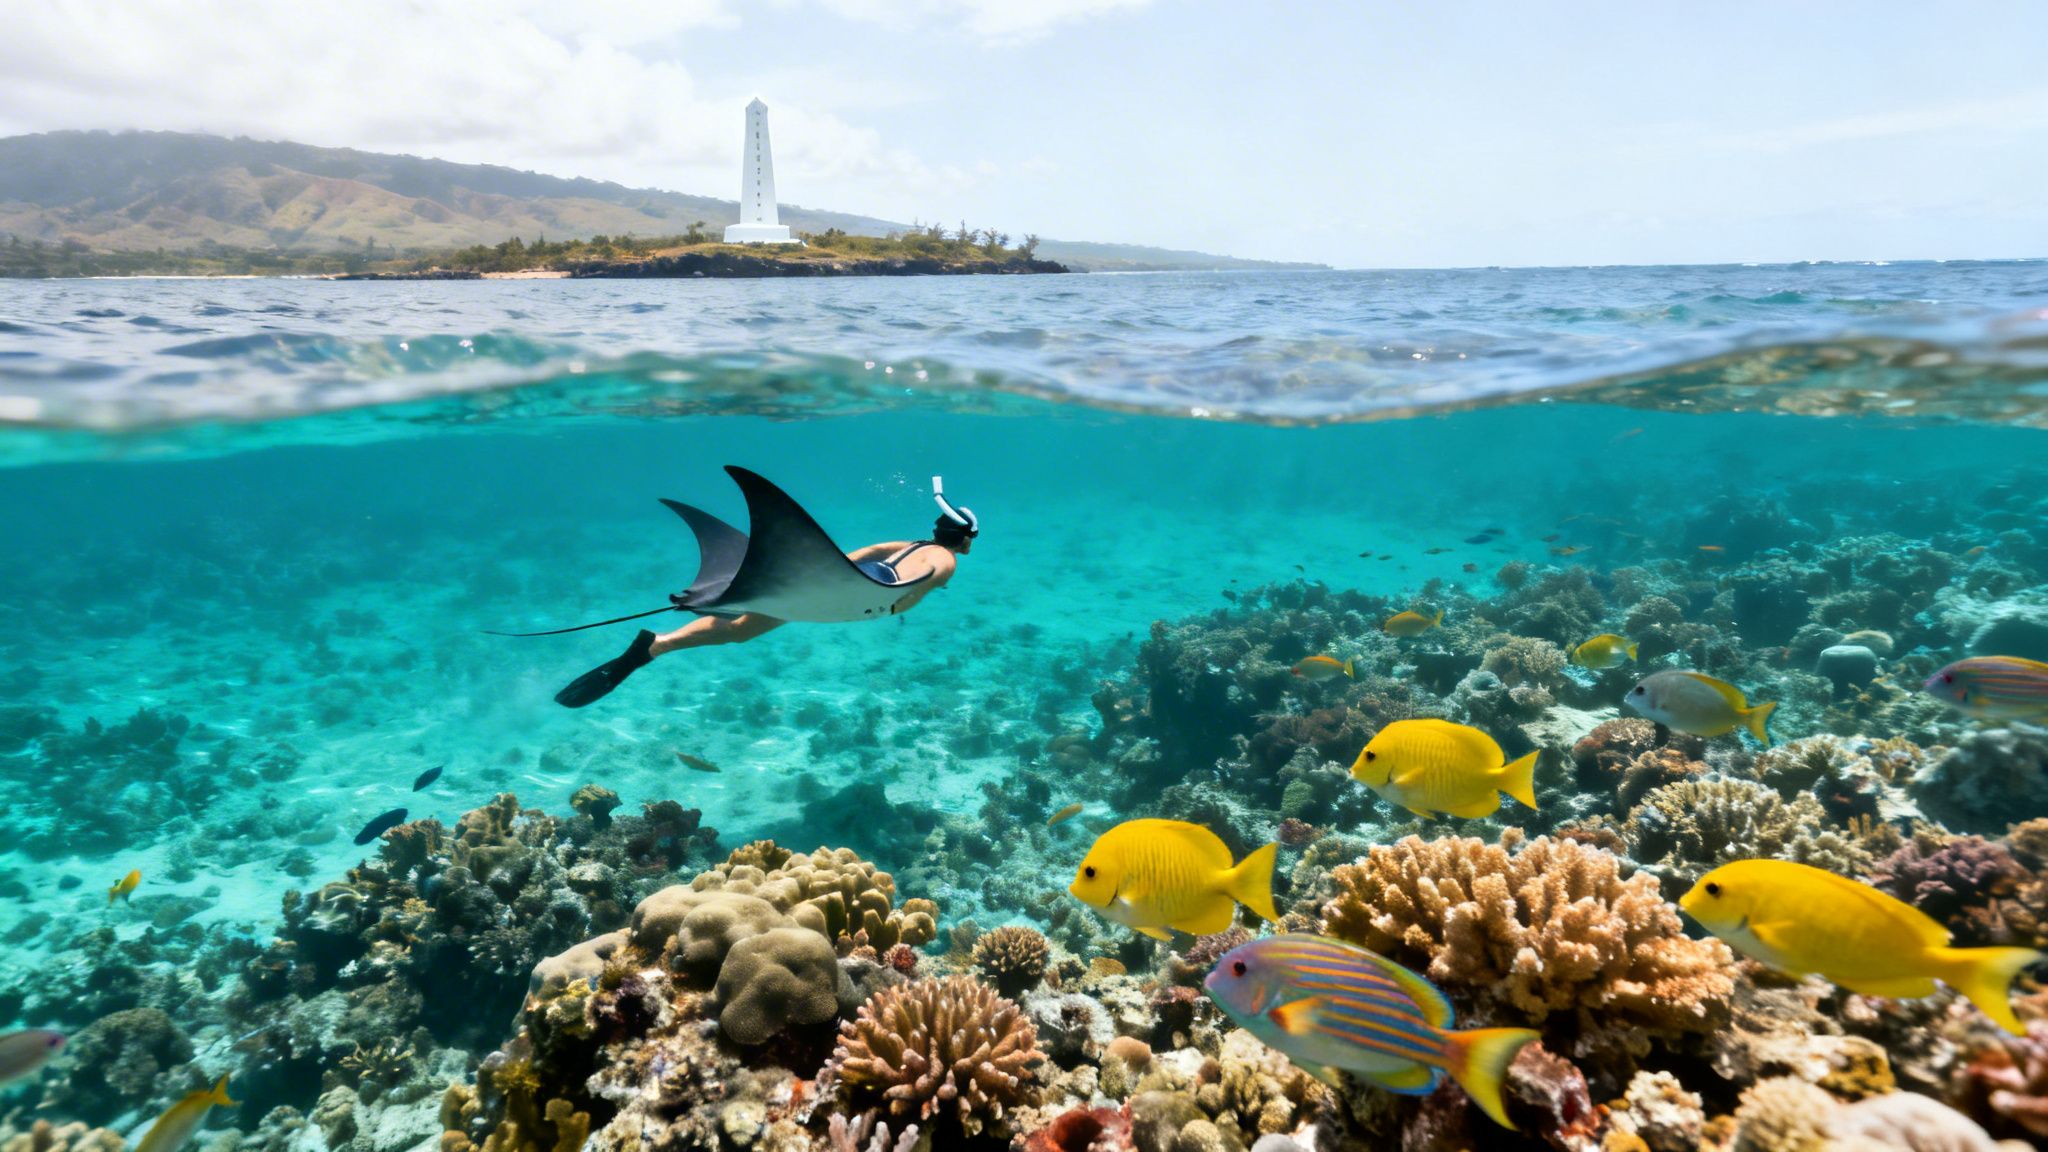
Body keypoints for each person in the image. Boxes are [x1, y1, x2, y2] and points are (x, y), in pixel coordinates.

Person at [554, 477, 978, 707]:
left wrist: (816, 577)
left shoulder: (913, 542)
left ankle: (653, 647)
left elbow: (867, 552)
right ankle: (759, 592)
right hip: (863, 596)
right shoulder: (946, 558)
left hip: (840, 587)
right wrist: (894, 600)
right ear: (963, 538)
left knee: (740, 629)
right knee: (745, 622)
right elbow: (926, 575)